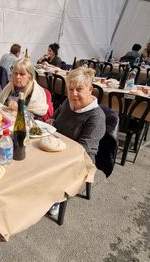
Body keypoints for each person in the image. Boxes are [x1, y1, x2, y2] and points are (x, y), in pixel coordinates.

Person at [45, 67, 105, 216]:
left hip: (79, 159)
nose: (74, 94)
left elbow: (82, 150)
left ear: (90, 89)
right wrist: (52, 121)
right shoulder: (68, 101)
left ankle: (56, 198)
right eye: (70, 89)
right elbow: (56, 117)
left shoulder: (96, 117)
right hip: (57, 146)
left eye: (79, 89)